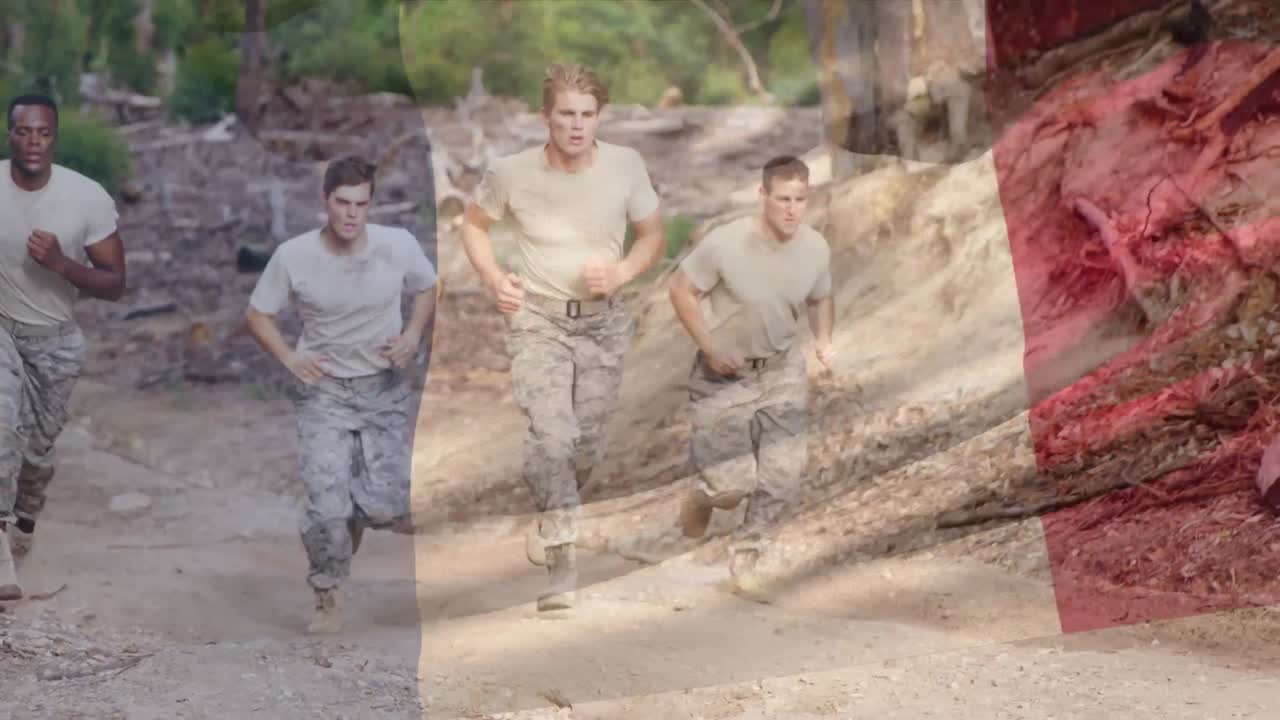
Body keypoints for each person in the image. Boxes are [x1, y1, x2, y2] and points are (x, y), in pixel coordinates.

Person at [461, 63, 665, 611]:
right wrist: (495, 279)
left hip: (603, 323)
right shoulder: (511, 172)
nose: (577, 126)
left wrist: (622, 273)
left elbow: (652, 237)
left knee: (587, 444)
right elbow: (473, 225)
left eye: (587, 115)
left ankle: (552, 499)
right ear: (545, 116)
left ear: (600, 117)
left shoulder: (625, 166)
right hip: (538, 321)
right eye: (566, 115)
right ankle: (561, 559)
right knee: (553, 437)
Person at [245, 156, 437, 633]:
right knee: (327, 503)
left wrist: (413, 334)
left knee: (385, 505)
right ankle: (327, 591)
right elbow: (257, 314)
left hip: (383, 389)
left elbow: (429, 288)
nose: (352, 214)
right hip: (323, 391)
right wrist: (291, 358)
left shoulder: (397, 246)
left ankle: (345, 521)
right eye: (342, 203)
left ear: (371, 204)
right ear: (325, 202)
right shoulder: (295, 256)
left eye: (361, 204)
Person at [667, 155, 835, 599]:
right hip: (723, 374)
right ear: (762, 196)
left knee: (783, 477)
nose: (792, 209)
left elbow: (821, 298)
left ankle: (747, 561)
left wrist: (824, 341)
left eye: (800, 199)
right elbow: (681, 290)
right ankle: (703, 495)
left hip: (781, 370)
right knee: (731, 485)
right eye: (783, 199)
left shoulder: (815, 247)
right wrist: (709, 346)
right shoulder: (725, 244)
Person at [0, 94, 127, 601]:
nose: (33, 142)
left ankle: (24, 523)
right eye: (24, 132)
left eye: (43, 133)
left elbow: (115, 283)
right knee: (2, 426)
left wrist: (61, 264)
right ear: (10, 135)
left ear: (55, 137)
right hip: (2, 330)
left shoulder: (86, 198)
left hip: (54, 341)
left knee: (38, 450)